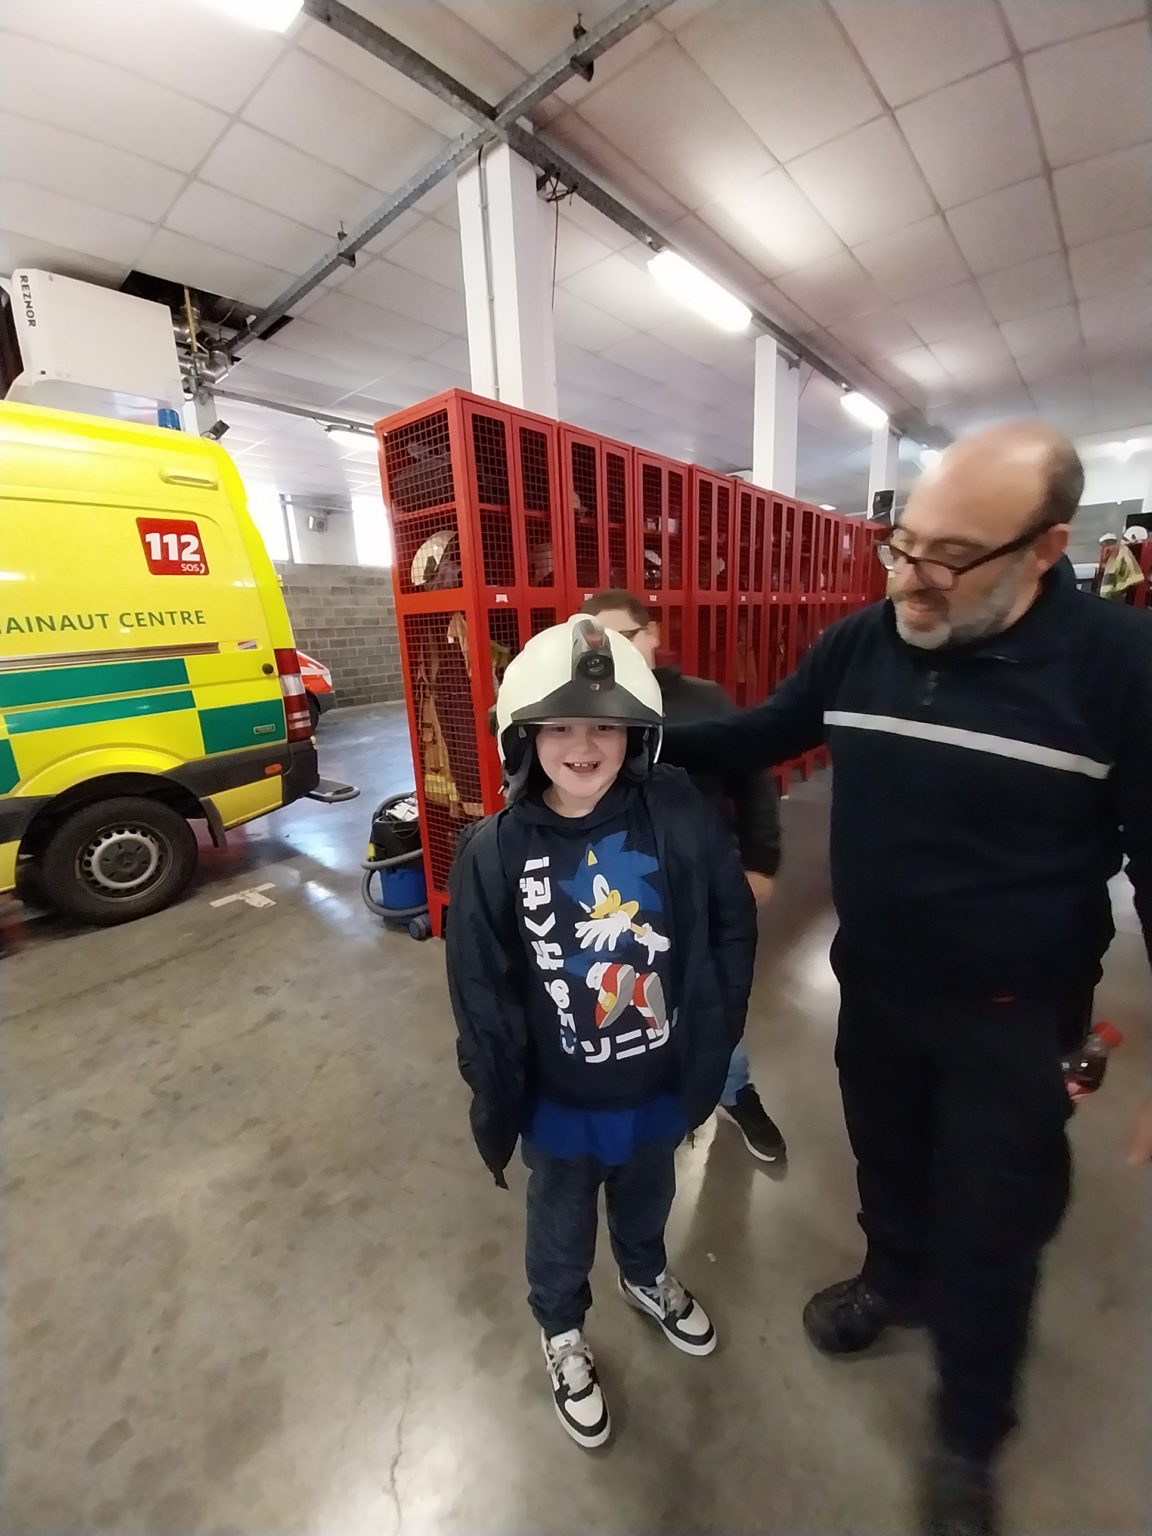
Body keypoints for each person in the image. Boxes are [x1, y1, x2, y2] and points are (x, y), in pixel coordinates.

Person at [660, 422, 1152, 1536]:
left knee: (995, 1225)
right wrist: (617, 736)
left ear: (1045, 548)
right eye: (902, 544)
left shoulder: (1120, 668)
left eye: (950, 557)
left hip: (1012, 1018)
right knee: (887, 1158)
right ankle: (895, 1279)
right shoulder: (863, 643)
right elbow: (761, 735)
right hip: (876, 986)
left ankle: (970, 1433)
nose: (908, 579)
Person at [446, 615, 757, 1448]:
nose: (583, 747)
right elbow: (479, 989)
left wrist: (717, 1030)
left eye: (605, 728)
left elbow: (730, 921)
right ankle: (561, 1329)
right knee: (559, 1223)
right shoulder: (494, 851)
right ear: (525, 737)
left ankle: (646, 1275)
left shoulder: (675, 815)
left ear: (636, 738)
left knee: (650, 1194)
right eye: (560, 728)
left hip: (657, 1082)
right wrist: (497, 1088)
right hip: (560, 1103)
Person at [580, 589, 787, 1164]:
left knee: (711, 998)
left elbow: (752, 782)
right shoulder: (585, 711)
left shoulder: (703, 700)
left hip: (703, 889)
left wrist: (760, 862)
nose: (613, 652)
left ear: (652, 635)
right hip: (620, 899)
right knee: (630, 1003)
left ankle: (732, 1090)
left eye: (623, 637)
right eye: (598, 643)